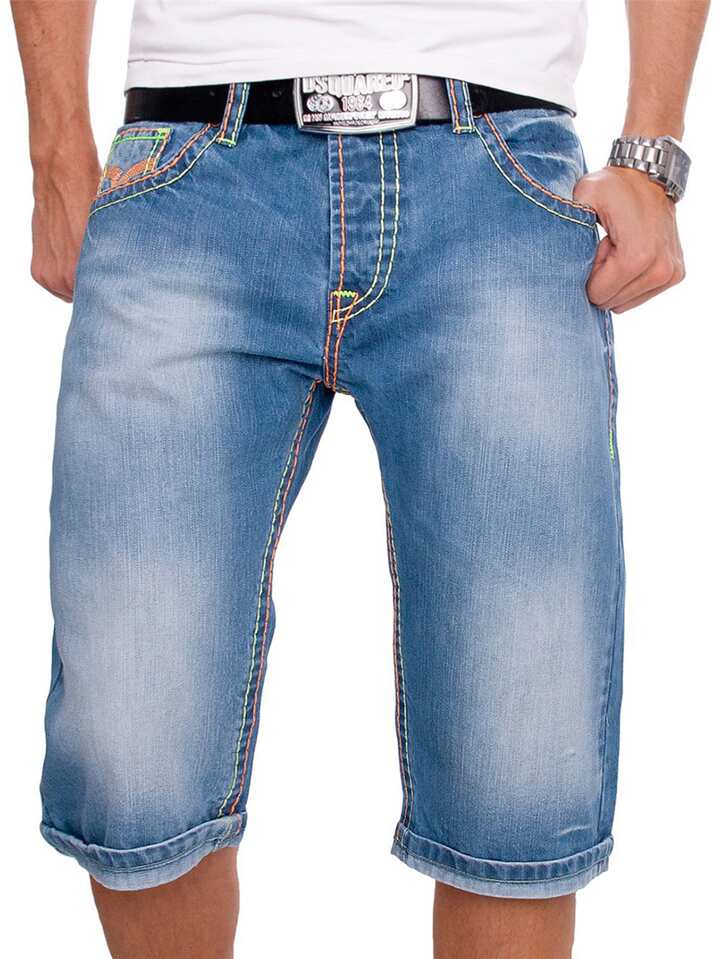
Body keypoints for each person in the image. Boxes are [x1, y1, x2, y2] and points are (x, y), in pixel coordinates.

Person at [11, 2, 708, 957]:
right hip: (192, 156)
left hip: (495, 160)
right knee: (131, 756)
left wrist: (652, 151)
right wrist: (56, 150)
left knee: (520, 766)